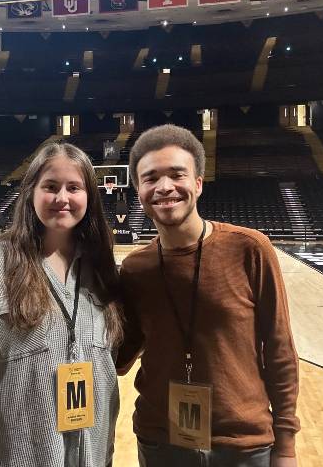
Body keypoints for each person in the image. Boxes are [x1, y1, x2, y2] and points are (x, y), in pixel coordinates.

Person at [0, 142, 123, 466]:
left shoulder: (101, 276)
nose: (62, 197)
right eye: (51, 186)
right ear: (31, 192)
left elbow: (107, 387)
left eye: (74, 187)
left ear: (89, 197)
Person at [117, 124, 300, 467]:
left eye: (176, 174)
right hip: (160, 440)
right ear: (138, 189)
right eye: (151, 178)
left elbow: (280, 350)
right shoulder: (135, 269)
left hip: (242, 443)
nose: (164, 187)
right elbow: (120, 355)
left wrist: (286, 445)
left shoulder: (249, 249)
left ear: (198, 184)